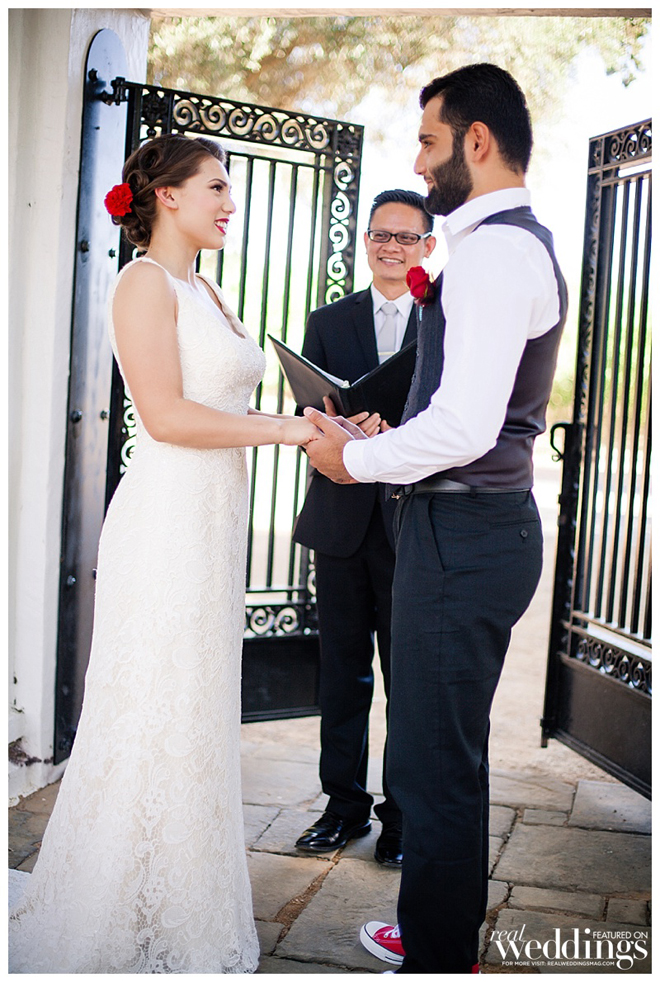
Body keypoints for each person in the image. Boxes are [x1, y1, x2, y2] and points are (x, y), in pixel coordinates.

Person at [9, 134, 316, 973]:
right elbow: (168, 417)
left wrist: (315, 419)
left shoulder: (203, 287)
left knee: (194, 708)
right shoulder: (142, 284)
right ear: (167, 196)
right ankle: (112, 903)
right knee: (153, 702)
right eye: (216, 187)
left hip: (211, 524)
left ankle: (173, 895)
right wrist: (289, 431)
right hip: (166, 524)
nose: (229, 203)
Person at [303, 63, 567, 973]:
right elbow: (457, 410)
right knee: (440, 753)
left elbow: (465, 428)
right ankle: (436, 935)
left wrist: (352, 459)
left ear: (476, 141)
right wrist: (387, 430)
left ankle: (440, 958)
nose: (418, 162)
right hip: (466, 529)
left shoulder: (495, 252)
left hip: (463, 535)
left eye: (428, 140)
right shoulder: (506, 244)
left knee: (433, 764)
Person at [293, 190, 436, 867]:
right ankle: (342, 807)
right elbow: (309, 413)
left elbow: (454, 419)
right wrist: (340, 425)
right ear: (367, 241)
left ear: (427, 247)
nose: (391, 246)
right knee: (342, 673)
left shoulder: (447, 321)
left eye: (406, 237)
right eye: (381, 234)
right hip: (341, 520)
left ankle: (402, 818)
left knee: (408, 680)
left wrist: (394, 430)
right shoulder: (328, 321)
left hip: (414, 521)